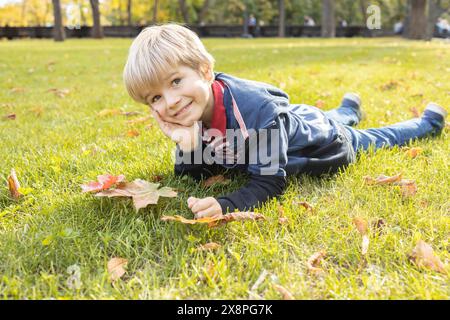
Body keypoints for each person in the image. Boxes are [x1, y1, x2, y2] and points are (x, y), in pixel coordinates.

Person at [123, 24, 447, 218]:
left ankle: (427, 123)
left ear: (205, 72)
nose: (171, 102)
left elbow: (269, 183)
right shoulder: (190, 117)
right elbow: (196, 175)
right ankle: (348, 107)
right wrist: (189, 145)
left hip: (323, 142)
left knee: (372, 137)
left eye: (176, 81)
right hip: (291, 126)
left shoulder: (254, 113)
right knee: (327, 117)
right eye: (155, 98)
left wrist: (226, 204)